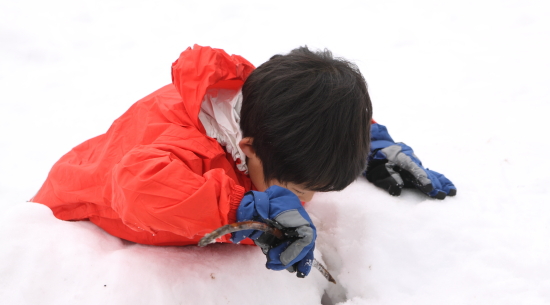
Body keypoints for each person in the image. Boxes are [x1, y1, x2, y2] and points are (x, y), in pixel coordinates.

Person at [31, 45, 456, 278]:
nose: (303, 201)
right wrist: (244, 209)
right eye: (298, 189)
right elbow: (141, 189)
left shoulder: (270, 108)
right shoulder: (179, 147)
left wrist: (369, 142)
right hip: (75, 219)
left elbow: (317, 113)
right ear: (248, 148)